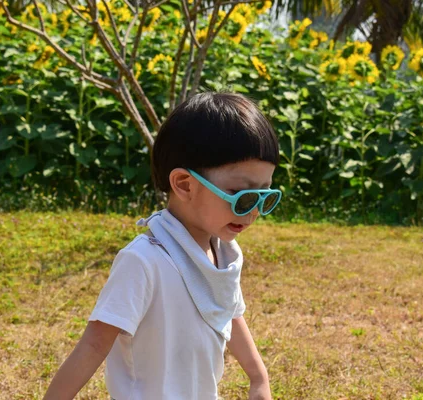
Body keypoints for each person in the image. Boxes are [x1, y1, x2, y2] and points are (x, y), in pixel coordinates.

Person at [42, 92, 282, 400]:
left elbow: (227, 310)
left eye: (265, 196)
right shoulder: (143, 261)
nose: (253, 211)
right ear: (184, 184)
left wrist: (259, 377)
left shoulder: (224, 252)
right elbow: (94, 344)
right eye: (243, 197)